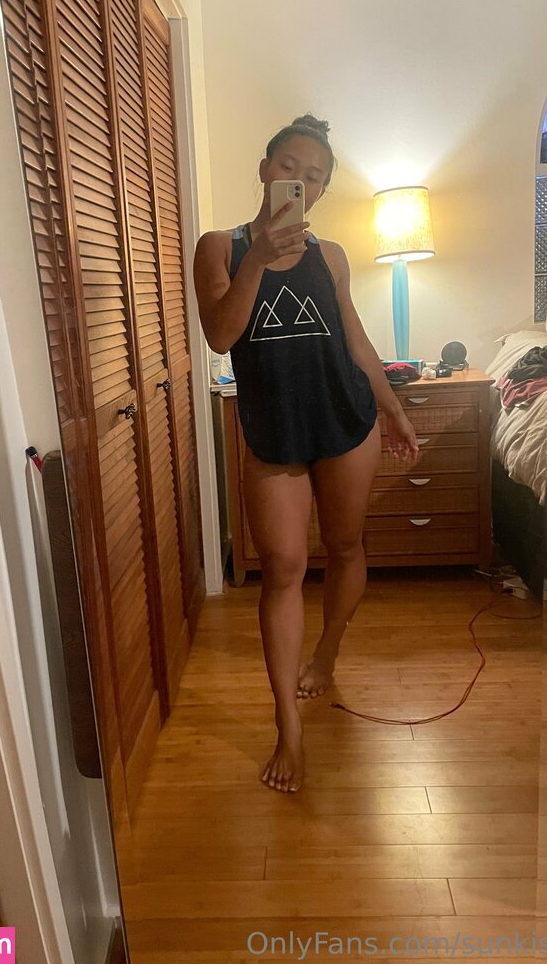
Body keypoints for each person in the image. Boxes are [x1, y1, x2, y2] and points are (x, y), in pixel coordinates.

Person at [193, 115, 420, 794]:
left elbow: (356, 342)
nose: (300, 179)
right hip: (274, 430)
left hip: (346, 419)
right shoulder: (219, 247)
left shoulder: (333, 256)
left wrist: (394, 409)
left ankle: (326, 656)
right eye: (289, 166)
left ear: (321, 190)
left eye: (314, 175)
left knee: (345, 547)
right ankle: (287, 725)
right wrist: (258, 258)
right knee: (283, 568)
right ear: (265, 170)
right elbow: (220, 335)